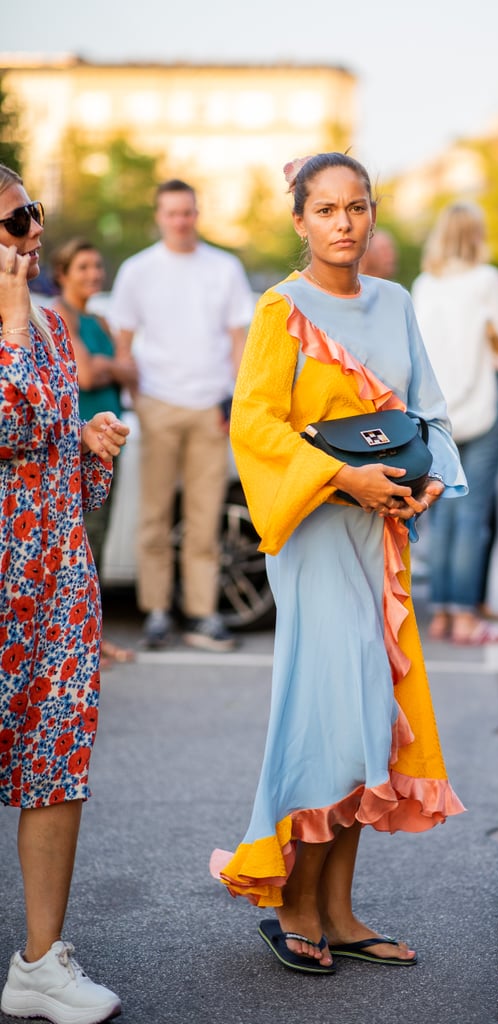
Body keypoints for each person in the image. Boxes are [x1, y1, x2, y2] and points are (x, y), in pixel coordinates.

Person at [209, 152, 467, 974]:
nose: (344, 223)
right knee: (331, 707)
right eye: (326, 210)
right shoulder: (280, 310)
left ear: (373, 213)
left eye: (356, 207)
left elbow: (427, 408)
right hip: (317, 530)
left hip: (379, 534)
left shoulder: (395, 303)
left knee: (367, 714)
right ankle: (292, 904)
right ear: (300, 222)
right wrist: (339, 475)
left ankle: (341, 911)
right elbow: (254, 424)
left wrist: (425, 481)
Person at [0, 164, 129, 1024]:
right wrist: (12, 330)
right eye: (15, 221)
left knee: (54, 768)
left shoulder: (49, 328)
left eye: (32, 216)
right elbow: (9, 428)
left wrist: (90, 447)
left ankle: (40, 964)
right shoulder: (26, 326)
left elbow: (50, 466)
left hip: (56, 585)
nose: (34, 231)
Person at [109, 179, 255, 652]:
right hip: (158, 404)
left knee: (204, 516)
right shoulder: (138, 270)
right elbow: (123, 343)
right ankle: (155, 612)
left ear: (197, 213)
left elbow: (238, 339)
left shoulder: (224, 267)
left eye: (188, 212)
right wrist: (138, 401)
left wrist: (234, 398)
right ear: (159, 216)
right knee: (152, 515)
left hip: (211, 405)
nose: (181, 220)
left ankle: (203, 613)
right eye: (172, 213)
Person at [412, 202, 498, 645]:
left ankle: (442, 613)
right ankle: (465, 616)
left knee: (441, 511)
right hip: (485, 403)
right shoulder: (487, 281)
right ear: (477, 235)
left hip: (437, 412)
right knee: (473, 513)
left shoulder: (425, 285)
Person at [52, 238, 138, 667]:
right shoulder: (58, 316)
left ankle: (91, 637)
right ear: (63, 273)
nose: (93, 274)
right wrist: (111, 367)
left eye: (97, 266)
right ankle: (76, 642)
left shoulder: (100, 320)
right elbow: (86, 375)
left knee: (98, 545)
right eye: (82, 267)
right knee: (80, 544)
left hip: (111, 444)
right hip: (79, 443)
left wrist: (112, 367)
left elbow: (132, 370)